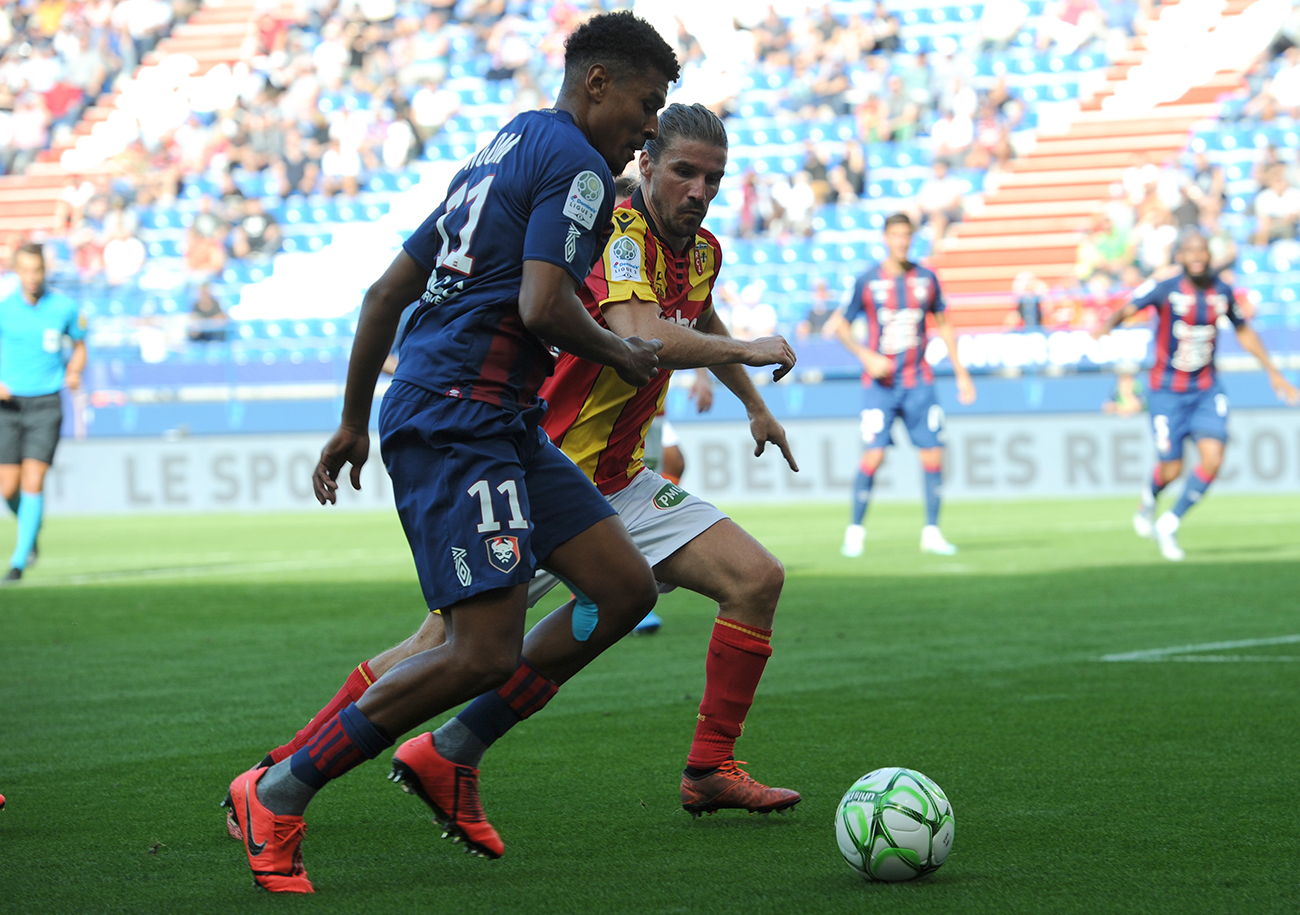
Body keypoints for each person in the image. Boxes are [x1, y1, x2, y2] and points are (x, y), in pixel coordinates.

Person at [225, 102, 803, 867]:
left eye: (714, 178)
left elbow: (692, 310)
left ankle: (706, 768)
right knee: (442, 648)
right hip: (541, 468)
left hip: (620, 483)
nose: (699, 190)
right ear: (648, 165)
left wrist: (753, 400)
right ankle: (275, 771)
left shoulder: (700, 252)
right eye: (685, 172)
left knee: (754, 578)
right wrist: (755, 346)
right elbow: (645, 330)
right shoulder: (618, 231)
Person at [225, 11, 678, 894]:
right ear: (596, 84)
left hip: (490, 416)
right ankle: (276, 789)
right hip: (459, 417)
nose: (649, 126)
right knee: (481, 651)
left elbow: (386, 289)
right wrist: (624, 352)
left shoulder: (501, 148)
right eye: (645, 103)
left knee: (624, 587)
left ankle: (453, 750)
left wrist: (356, 419)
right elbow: (545, 305)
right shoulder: (580, 168)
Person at [1093, 230, 1298, 561]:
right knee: (1171, 469)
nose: (1198, 256)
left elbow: (1243, 330)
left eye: (1203, 251)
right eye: (1191, 251)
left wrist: (1274, 373)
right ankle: (1150, 496)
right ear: (1181, 256)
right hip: (1166, 392)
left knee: (1213, 459)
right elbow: (1131, 306)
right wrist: (1108, 325)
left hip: (1205, 389)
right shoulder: (1167, 289)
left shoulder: (1221, 291)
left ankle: (1169, 523)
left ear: (1210, 255)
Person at [831, 213, 976, 558]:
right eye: (895, 235)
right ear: (885, 238)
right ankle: (855, 532)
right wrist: (866, 355)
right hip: (880, 385)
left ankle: (932, 532)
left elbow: (944, 323)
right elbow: (840, 326)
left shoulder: (927, 279)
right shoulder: (868, 281)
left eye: (905, 235)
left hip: (919, 382)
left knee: (933, 455)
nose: (901, 241)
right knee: (874, 455)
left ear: (911, 238)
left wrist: (961, 372)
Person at [0, 243, 87, 584]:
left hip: (46, 404)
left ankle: (18, 563)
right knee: (8, 488)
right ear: (16, 271)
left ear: (45, 270)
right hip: (8, 406)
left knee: (33, 480)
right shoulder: (4, 309)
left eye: (38, 270)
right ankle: (30, 529)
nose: (33, 277)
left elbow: (79, 346)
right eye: (27, 270)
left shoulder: (64, 308)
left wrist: (75, 371)